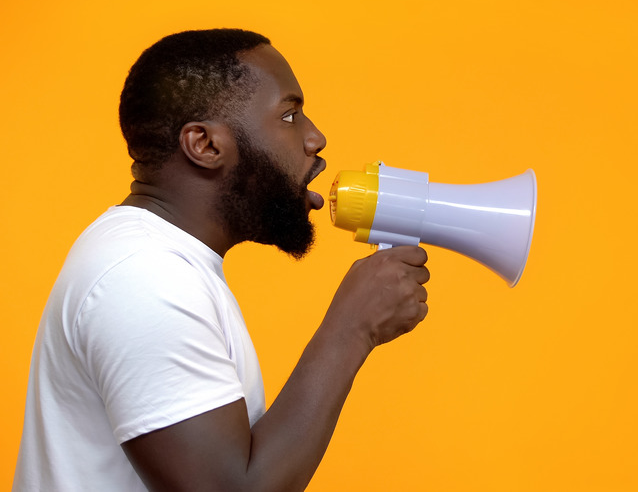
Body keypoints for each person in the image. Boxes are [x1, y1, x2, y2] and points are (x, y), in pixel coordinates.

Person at [13, 29, 430, 491]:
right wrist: (353, 328)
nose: (315, 137)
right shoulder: (143, 277)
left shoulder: (160, 263)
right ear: (205, 145)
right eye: (289, 115)